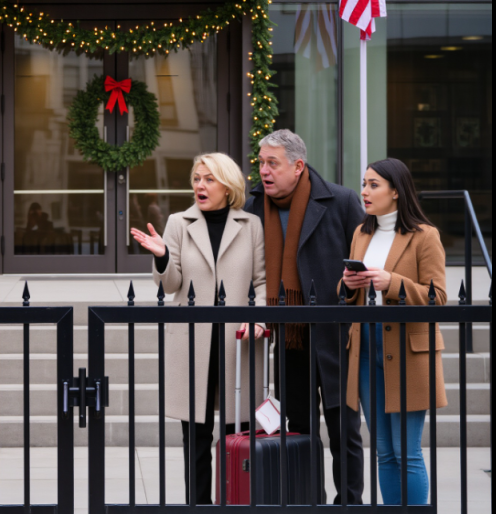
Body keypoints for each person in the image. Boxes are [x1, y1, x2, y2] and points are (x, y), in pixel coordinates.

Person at [131, 152, 266, 505]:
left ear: (228, 185)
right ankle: (199, 506)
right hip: (192, 343)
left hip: (239, 342)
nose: (200, 186)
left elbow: (262, 282)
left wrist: (260, 317)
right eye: (196, 178)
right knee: (196, 437)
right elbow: (172, 284)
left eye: (208, 179)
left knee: (240, 433)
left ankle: (238, 501)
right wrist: (161, 256)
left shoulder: (251, 225)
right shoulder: (178, 222)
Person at [244, 129, 365, 505]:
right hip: (287, 337)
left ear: (297, 166)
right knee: (298, 429)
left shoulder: (341, 200)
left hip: (335, 335)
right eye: (261, 163)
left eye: (272, 163)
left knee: (344, 429)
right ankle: (305, 501)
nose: (264, 170)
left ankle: (348, 503)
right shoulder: (252, 208)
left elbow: (362, 260)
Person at [342, 158, 447, 505]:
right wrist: (348, 284)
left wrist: (393, 283)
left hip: (407, 350)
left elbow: (440, 298)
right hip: (367, 346)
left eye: (374, 185)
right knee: (384, 451)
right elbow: (350, 297)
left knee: (406, 450)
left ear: (396, 192)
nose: (365, 191)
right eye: (364, 183)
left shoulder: (424, 235)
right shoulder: (361, 232)